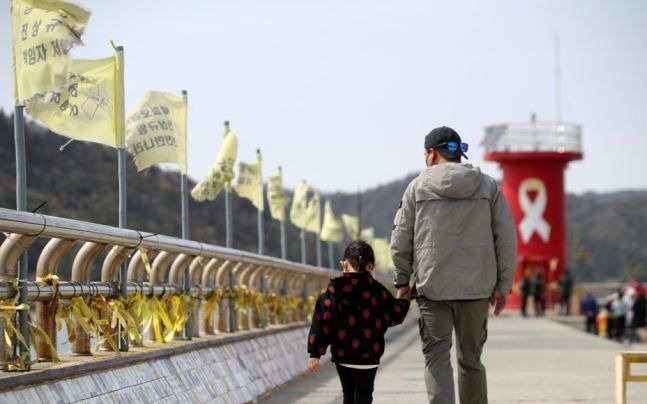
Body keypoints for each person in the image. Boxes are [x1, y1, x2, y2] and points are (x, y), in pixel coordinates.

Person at [390, 126, 517, 404]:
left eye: (425, 153)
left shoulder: (417, 187)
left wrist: (402, 281)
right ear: (458, 153)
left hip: (432, 288)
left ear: (432, 154)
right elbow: (506, 238)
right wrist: (503, 286)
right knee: (471, 360)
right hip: (476, 289)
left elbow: (400, 239)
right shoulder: (487, 186)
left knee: (436, 359)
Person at [307, 240, 410, 404]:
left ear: (344, 264)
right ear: (371, 266)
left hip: (343, 355)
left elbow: (321, 321)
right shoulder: (377, 291)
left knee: (348, 394)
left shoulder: (333, 292)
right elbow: (395, 313)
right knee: (364, 395)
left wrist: (315, 353)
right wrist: (404, 296)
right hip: (369, 356)